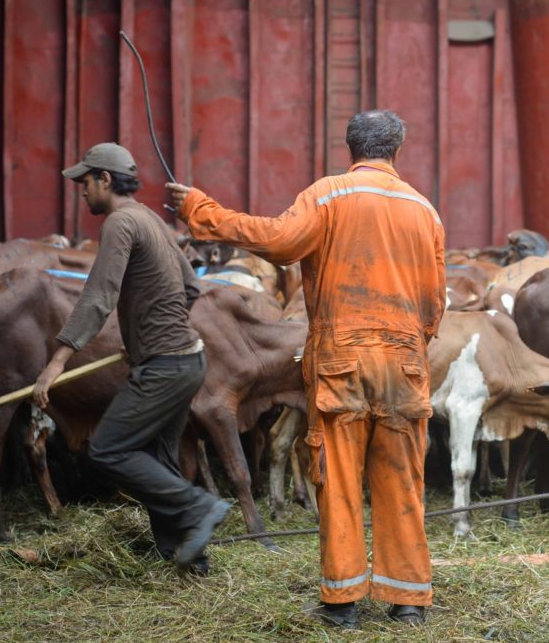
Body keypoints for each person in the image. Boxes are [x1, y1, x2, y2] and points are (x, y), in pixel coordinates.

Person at [167, 110, 445, 628]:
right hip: (405, 361)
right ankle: (408, 601)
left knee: (337, 479)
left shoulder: (328, 195)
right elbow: (434, 303)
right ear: (398, 150)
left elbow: (276, 241)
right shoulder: (423, 210)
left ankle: (342, 607)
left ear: (350, 149)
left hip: (342, 359)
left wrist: (200, 211)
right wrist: (409, 346)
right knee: (401, 480)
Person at [33, 142, 230, 576]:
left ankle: (199, 506)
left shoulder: (121, 223)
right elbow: (191, 286)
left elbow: (100, 296)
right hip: (187, 363)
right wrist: (147, 333)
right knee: (158, 459)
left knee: (108, 448)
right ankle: (186, 557)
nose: (81, 191)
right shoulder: (151, 220)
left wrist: (56, 362)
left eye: (85, 182)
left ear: (105, 180)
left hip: (164, 366)